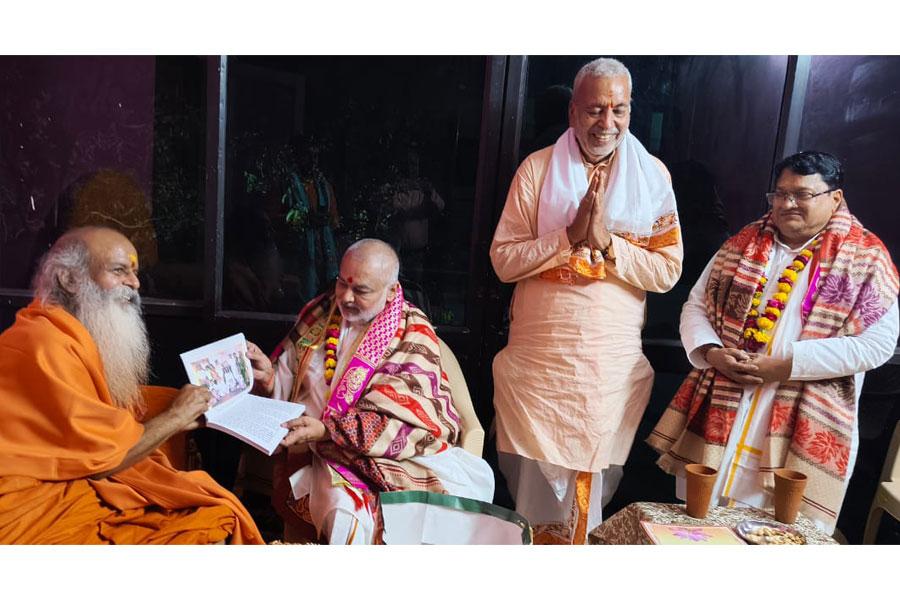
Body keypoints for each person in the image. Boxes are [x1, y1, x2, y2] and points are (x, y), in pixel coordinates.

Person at [648, 151, 899, 533]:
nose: (787, 204)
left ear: (835, 197)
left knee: (777, 536)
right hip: (726, 407)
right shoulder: (742, 244)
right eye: (780, 194)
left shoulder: (866, 258)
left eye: (802, 195)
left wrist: (786, 365)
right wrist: (713, 353)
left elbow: (877, 345)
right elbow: (695, 306)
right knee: (701, 525)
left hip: (803, 415)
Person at [490, 58, 683, 544]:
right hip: (542, 364)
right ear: (574, 112)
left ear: (632, 110)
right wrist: (568, 236)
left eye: (619, 110)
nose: (607, 123)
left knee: (594, 475)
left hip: (606, 366)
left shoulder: (653, 176)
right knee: (535, 478)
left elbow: (667, 271)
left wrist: (608, 244)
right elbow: (504, 261)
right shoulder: (536, 170)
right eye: (596, 110)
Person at [0, 226, 263, 544]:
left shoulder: (74, 333)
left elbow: (89, 419)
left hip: (79, 479)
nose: (135, 283)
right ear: (69, 279)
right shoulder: (43, 343)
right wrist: (175, 417)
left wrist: (182, 407)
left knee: (211, 513)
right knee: (205, 521)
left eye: (135, 272)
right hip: (33, 497)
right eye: (119, 270)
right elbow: (99, 459)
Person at [247, 238, 494, 544]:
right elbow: (290, 383)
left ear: (391, 291)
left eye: (361, 290)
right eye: (341, 284)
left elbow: (407, 420)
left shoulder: (413, 332)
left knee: (350, 512)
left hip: (388, 456)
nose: (346, 297)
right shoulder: (320, 313)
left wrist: (327, 430)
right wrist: (268, 380)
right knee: (342, 507)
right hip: (316, 447)